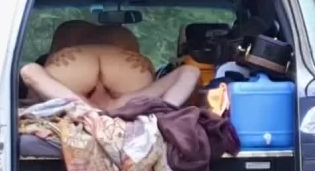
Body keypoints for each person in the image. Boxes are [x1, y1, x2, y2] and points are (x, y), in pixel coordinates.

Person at [20, 20, 200, 111]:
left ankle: (86, 110)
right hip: (123, 80)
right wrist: (165, 109)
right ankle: (165, 113)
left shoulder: (127, 105)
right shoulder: (127, 104)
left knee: (31, 69)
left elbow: (30, 78)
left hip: (74, 72)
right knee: (189, 70)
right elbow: (190, 71)